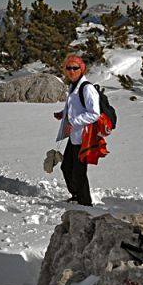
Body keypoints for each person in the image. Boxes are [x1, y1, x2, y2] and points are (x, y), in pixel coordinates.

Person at [54, 55, 100, 206]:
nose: (71, 71)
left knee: (79, 172)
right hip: (74, 136)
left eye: (75, 68)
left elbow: (94, 113)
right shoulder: (73, 86)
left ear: (82, 69)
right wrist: (63, 113)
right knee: (66, 166)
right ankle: (76, 195)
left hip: (83, 136)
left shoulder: (87, 88)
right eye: (68, 68)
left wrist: (73, 122)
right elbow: (76, 107)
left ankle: (85, 203)